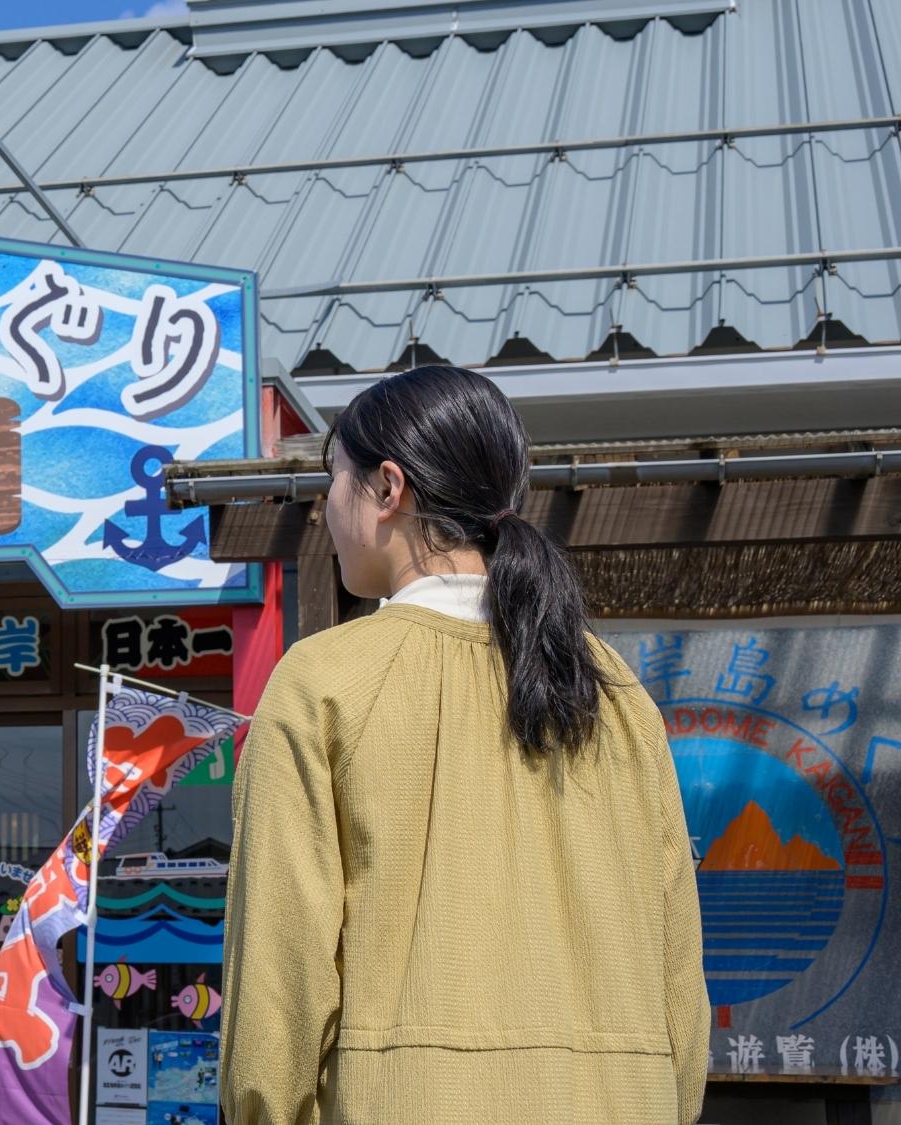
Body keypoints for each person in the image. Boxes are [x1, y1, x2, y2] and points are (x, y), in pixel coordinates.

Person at [217, 365, 708, 1124]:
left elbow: (277, 991)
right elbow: (679, 974)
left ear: (388, 488)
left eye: (332, 482)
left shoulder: (323, 681)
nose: (325, 510)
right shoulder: (615, 690)